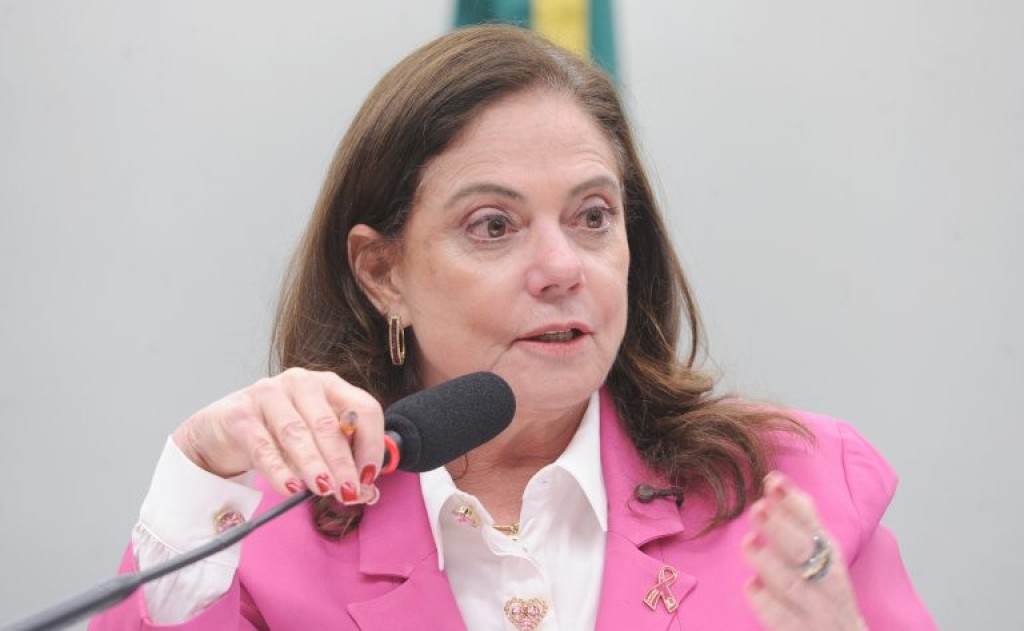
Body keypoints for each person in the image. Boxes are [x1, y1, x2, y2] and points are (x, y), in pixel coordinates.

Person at [89, 25, 936, 630]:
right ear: (383, 272)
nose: (562, 267)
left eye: (593, 216)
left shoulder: (791, 487)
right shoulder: (269, 541)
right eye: (494, 226)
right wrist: (198, 469)